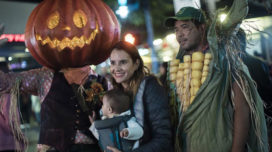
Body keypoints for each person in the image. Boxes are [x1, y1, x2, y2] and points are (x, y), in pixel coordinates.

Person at [165, 0, 268, 151]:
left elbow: (242, 109)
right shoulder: (179, 66)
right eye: (176, 30)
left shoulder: (222, 60)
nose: (179, 34)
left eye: (185, 27)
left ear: (201, 28)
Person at [0, 65, 108, 152]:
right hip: (54, 147)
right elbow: (6, 82)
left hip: (90, 147)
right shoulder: (45, 76)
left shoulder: (100, 81)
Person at [105, 41, 172, 152]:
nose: (116, 68)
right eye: (113, 63)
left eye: (123, 62)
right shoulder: (115, 93)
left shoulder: (150, 87)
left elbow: (164, 139)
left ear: (136, 64)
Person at [0, 62, 26, 152]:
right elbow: (11, 121)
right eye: (10, 71)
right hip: (8, 144)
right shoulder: (7, 95)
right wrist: (22, 138)